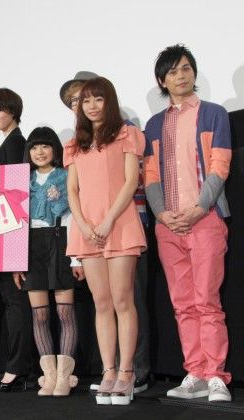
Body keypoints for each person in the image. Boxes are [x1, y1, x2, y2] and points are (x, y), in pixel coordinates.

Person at [144, 44, 232, 402]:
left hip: (205, 219)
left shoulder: (213, 113)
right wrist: (162, 214)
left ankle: (216, 375)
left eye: (185, 68)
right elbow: (150, 176)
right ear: (162, 81)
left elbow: (220, 165)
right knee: (182, 304)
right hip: (168, 226)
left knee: (207, 300)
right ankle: (195, 372)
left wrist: (198, 208)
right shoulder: (154, 124)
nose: (181, 76)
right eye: (173, 71)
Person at [60, 71, 151, 394]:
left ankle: (127, 372)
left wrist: (109, 220)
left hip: (120, 224)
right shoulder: (74, 144)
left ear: (109, 101)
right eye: (86, 100)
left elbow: (131, 181)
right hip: (87, 229)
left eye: (98, 99)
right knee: (101, 303)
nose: (92, 105)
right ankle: (108, 370)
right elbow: (72, 190)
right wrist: (84, 225)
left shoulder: (127, 134)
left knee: (123, 300)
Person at [13, 126, 79, 397]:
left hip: (60, 242)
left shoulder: (66, 176)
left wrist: (76, 258)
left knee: (64, 313)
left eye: (45, 146)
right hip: (31, 246)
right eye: (34, 147)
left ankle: (64, 377)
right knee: (39, 315)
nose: (40, 152)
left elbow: (73, 217)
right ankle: (49, 377)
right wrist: (16, 260)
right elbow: (16, 221)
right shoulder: (21, 180)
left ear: (55, 149)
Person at [0, 88, 32, 391]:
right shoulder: (10, 142)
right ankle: (15, 367)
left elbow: (15, 197)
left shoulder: (15, 144)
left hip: (12, 238)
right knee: (12, 303)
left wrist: (15, 252)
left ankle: (16, 369)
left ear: (13, 110)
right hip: (6, 236)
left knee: (16, 304)